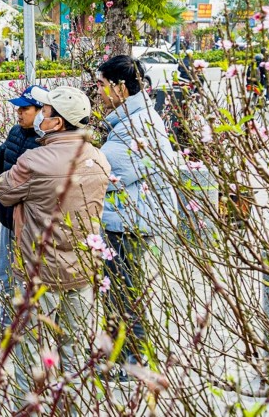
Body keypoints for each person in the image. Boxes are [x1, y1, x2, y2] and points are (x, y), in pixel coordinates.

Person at [0, 86, 111, 390]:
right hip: (83, 269)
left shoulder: (35, 161)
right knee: (75, 352)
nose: (40, 117)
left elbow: (4, 192)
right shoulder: (99, 158)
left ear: (57, 123)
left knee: (30, 352)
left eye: (45, 112)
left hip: (40, 271)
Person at [95, 55, 177, 377]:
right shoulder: (134, 117)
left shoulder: (136, 124)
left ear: (119, 87)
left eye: (101, 85)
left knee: (124, 293)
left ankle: (131, 362)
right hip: (129, 217)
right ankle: (122, 356)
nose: (98, 92)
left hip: (130, 222)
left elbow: (106, 169)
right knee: (122, 290)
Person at [0, 86, 44, 328]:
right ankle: (7, 321)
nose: (19, 113)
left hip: (27, 224)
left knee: (24, 278)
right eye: (18, 108)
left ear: (41, 111)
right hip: (6, 218)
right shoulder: (16, 131)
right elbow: (0, 157)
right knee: (5, 274)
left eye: (25, 108)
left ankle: (25, 325)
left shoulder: (45, 142)